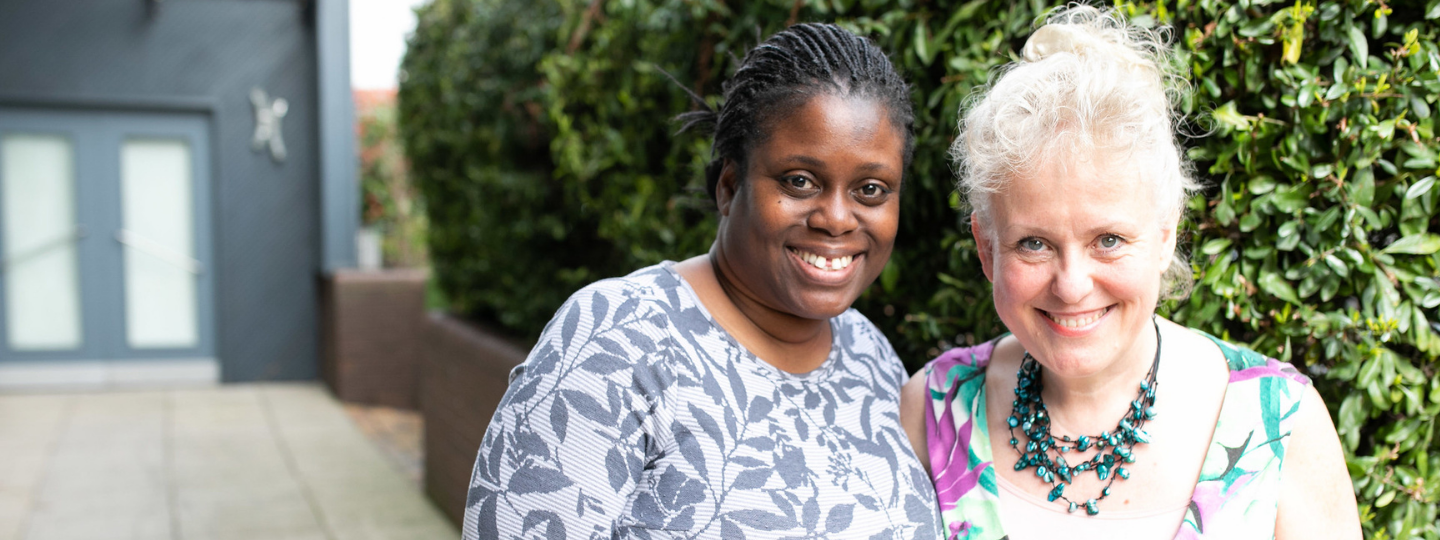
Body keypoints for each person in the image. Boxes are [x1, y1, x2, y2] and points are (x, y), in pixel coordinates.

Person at [463, 23, 941, 539]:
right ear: (730, 186)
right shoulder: (618, 338)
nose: (837, 218)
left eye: (871, 189)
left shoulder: (871, 358)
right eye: (799, 181)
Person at [899, 6, 1360, 540]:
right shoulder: (934, 411)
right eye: (1033, 243)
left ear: (1166, 233)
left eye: (1109, 240)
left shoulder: (1280, 425)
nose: (1071, 285)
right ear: (986, 248)